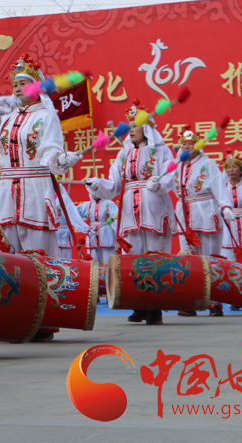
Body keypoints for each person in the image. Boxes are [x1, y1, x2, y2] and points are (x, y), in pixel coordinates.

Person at [0, 55, 81, 259]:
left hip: (35, 190)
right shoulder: (8, 116)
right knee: (6, 254)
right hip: (7, 193)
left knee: (37, 254)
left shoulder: (45, 116)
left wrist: (59, 160)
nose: (16, 88)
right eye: (14, 84)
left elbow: (50, 149)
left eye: (22, 83)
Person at [86, 100, 176, 325]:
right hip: (129, 210)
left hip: (154, 206)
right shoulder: (122, 155)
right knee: (134, 257)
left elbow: (170, 173)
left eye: (135, 125)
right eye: (129, 125)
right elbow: (114, 186)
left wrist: (158, 182)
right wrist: (97, 184)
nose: (131, 129)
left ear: (146, 128)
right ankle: (139, 304)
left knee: (156, 256)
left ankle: (155, 308)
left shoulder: (161, 150)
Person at [165, 126, 235, 317]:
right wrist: (155, 183)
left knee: (210, 257)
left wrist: (225, 206)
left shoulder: (208, 164)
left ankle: (215, 302)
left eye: (191, 143)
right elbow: (166, 182)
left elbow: (219, 187)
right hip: (185, 213)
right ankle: (191, 301)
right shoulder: (177, 165)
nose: (187, 146)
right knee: (188, 259)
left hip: (205, 210)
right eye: (184, 144)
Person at [77, 191, 119, 267]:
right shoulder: (88, 205)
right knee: (93, 262)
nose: (95, 194)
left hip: (107, 235)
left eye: (97, 191)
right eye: (93, 192)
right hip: (92, 234)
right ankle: (95, 277)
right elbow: (74, 212)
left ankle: (109, 277)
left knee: (109, 260)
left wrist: (119, 235)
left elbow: (116, 219)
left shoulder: (110, 203)